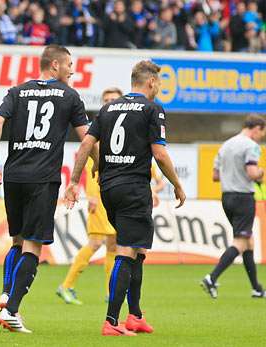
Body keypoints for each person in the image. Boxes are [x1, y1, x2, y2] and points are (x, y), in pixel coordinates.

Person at [65, 60, 185, 336]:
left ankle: (135, 315)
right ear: (151, 82)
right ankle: (110, 321)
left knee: (137, 250)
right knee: (127, 250)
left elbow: (86, 143)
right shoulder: (152, 108)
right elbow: (160, 153)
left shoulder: (108, 108)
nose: (160, 88)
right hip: (133, 187)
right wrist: (177, 184)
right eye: (160, 83)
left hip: (109, 187)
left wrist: (73, 181)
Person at [0, 44, 97, 333]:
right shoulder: (69, 95)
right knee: (33, 246)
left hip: (13, 176)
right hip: (42, 178)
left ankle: (5, 292)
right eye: (69, 65)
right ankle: (12, 310)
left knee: (17, 240)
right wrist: (98, 165)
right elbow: (87, 140)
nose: (72, 70)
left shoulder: (17, 91)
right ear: (55, 66)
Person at [57, 87, 123, 306]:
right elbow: (89, 165)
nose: (109, 102)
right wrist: (92, 196)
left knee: (112, 245)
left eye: (113, 99)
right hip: (99, 197)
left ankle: (109, 291)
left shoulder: (121, 127)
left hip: (114, 195)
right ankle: (66, 285)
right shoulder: (99, 128)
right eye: (106, 100)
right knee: (95, 242)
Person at [201, 115, 266, 299]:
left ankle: (256, 288)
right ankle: (211, 278)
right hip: (243, 198)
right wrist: (261, 173)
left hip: (226, 197)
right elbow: (253, 173)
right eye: (262, 133)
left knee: (248, 241)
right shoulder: (251, 146)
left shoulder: (226, 145)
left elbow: (215, 175)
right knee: (241, 242)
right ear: (256, 128)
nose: (261, 137)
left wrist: (232, 175)